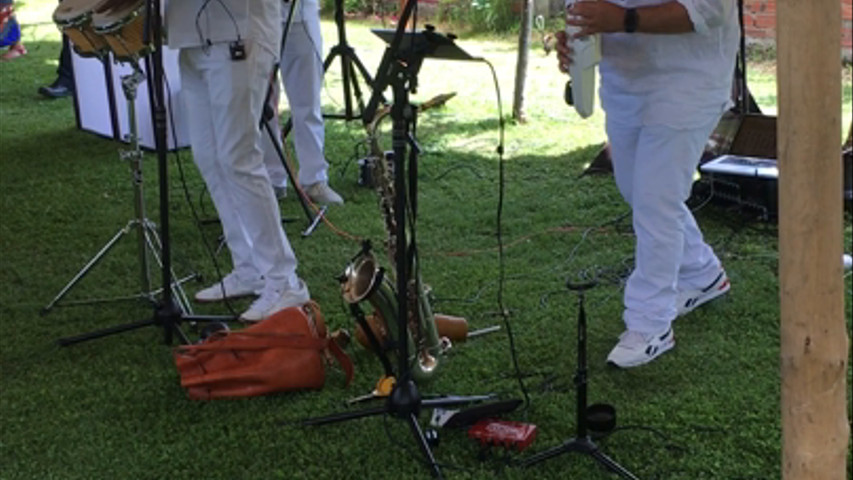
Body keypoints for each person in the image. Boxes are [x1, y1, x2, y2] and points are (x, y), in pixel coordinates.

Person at [555, 0, 737, 368]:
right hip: (624, 83)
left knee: (656, 201)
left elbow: (709, 9)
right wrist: (574, 41)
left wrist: (623, 19)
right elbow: (587, 11)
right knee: (637, 191)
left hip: (688, 82)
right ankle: (702, 272)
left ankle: (650, 324)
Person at [165, 0, 310, 322]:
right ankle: (248, 269)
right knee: (209, 157)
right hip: (191, 35)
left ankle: (283, 281)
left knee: (238, 159)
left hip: (239, 32)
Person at [261, 0, 343, 205]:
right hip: (259, 16)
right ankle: (273, 178)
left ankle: (314, 180)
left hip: (302, 14)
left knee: (308, 100)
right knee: (263, 102)